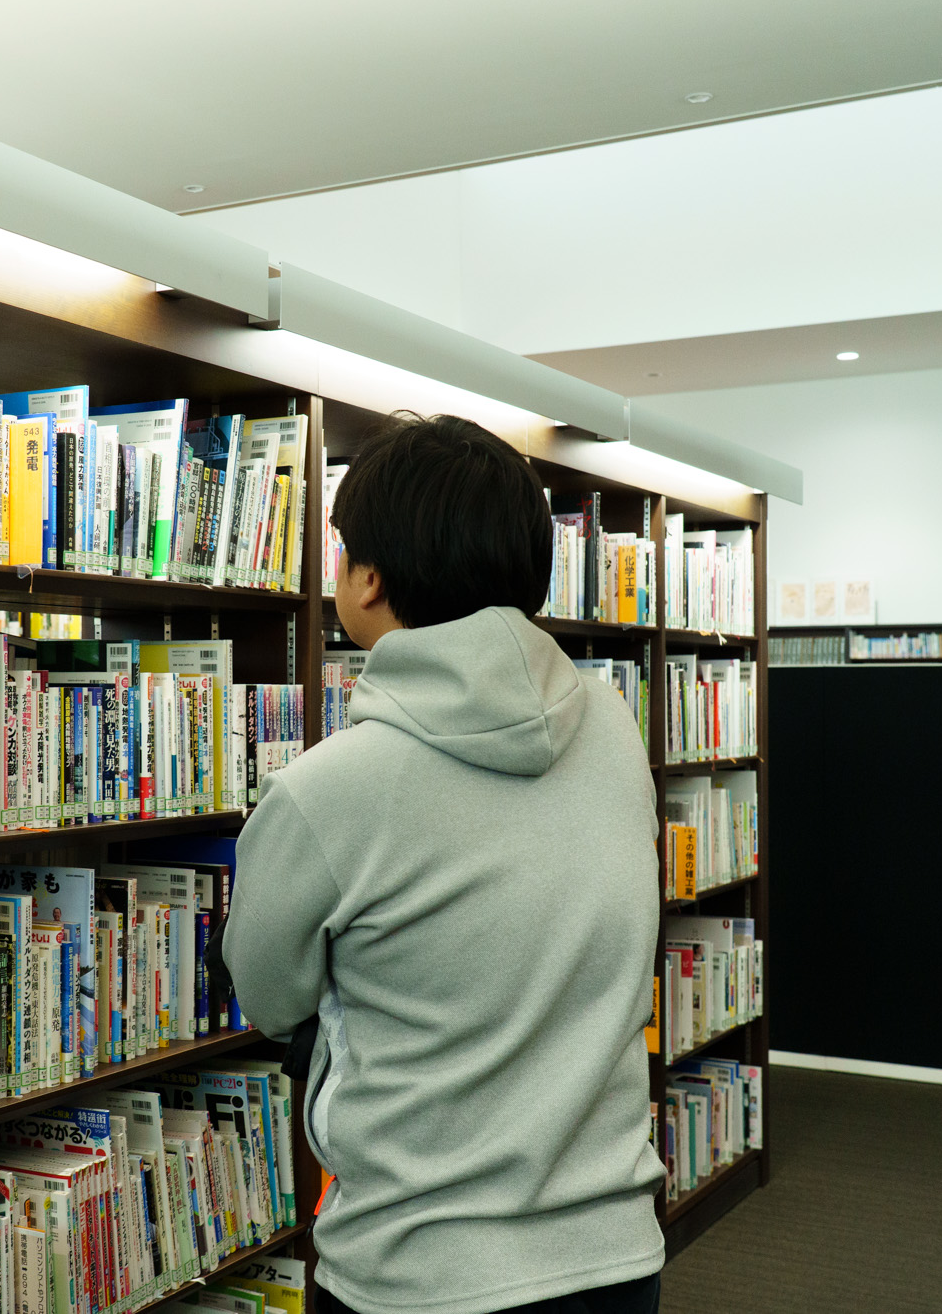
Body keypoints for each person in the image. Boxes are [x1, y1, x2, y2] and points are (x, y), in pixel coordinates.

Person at [224, 413, 666, 1314]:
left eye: (342, 547)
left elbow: (269, 996)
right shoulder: (617, 730)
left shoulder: (324, 791)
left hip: (419, 1270)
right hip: (617, 1256)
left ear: (371, 576)